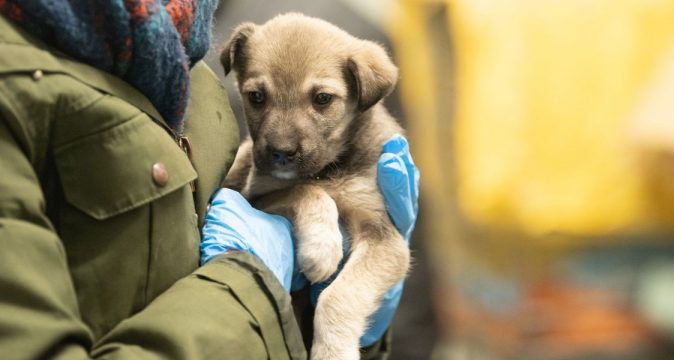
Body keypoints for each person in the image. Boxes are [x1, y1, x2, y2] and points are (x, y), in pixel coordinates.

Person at [0, 1, 418, 359]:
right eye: (257, 98)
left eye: (321, 101)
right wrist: (251, 281)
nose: (282, 139)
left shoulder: (186, 45)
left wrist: (359, 334)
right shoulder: (20, 73)